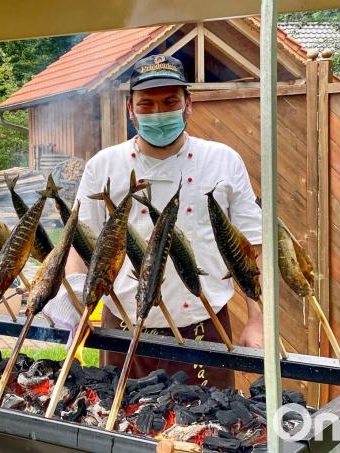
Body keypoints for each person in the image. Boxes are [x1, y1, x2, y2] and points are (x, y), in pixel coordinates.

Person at [44, 54, 264, 389]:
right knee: (120, 429)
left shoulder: (223, 161)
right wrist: (76, 311)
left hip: (204, 327)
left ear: (188, 105)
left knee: (207, 431)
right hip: (123, 326)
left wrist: (257, 320)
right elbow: (82, 247)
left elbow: (253, 249)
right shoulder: (103, 166)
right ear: (131, 110)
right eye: (146, 104)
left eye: (170, 102)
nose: (158, 113)